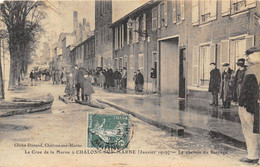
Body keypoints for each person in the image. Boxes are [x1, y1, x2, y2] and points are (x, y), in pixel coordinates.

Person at [238, 47, 260, 164]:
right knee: (254, 131)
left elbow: (250, 90)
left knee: (250, 130)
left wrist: (245, 105)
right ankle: (253, 155)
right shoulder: (251, 68)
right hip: (251, 105)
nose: (248, 58)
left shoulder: (254, 69)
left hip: (250, 106)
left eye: (250, 55)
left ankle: (253, 155)